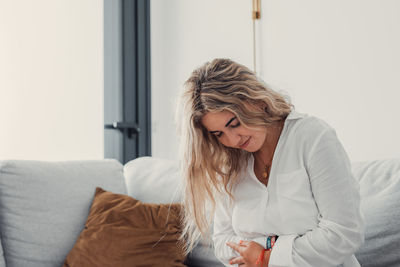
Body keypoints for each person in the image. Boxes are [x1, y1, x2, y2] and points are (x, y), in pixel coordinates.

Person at [177, 58, 364, 267]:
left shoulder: (313, 137)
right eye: (219, 133)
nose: (232, 140)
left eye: (234, 123)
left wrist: (265, 257)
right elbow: (221, 242)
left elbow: (344, 233)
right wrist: (264, 247)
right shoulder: (229, 162)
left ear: (256, 100)